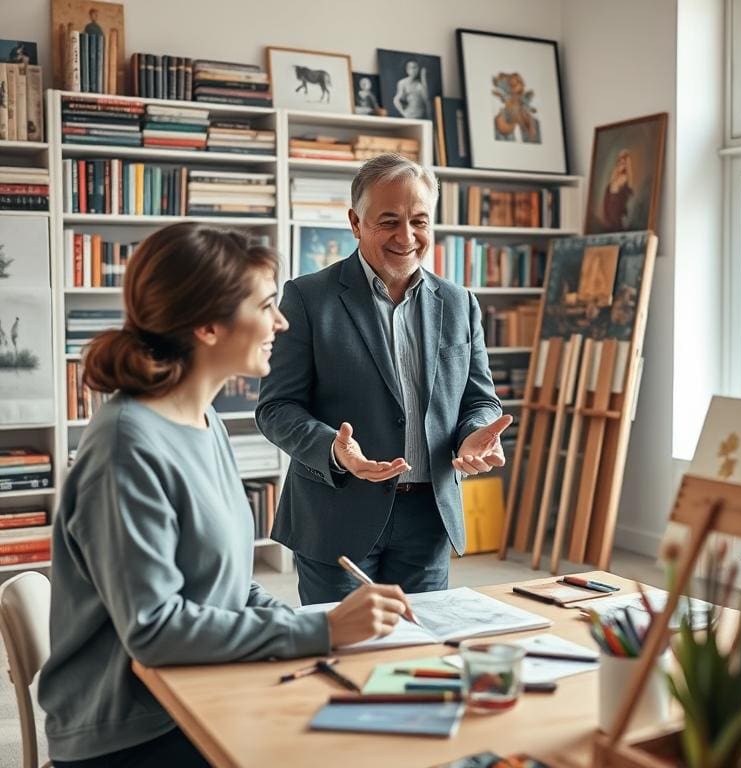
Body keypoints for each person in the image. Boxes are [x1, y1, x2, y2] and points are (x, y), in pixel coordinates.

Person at [38, 223, 412, 767]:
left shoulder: (203, 421)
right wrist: (320, 627)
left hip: (197, 690)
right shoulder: (127, 447)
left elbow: (228, 587)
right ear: (207, 326)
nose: (281, 322)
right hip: (136, 731)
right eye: (265, 305)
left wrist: (320, 630)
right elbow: (156, 630)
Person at [257, 154, 511, 604]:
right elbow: (276, 408)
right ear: (355, 223)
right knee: (345, 653)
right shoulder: (307, 297)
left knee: (418, 651)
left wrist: (474, 435)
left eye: (419, 221)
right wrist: (333, 448)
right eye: (388, 221)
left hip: (428, 516)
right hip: (336, 512)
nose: (406, 237)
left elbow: (479, 400)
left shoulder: (459, 303)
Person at [601, 149, 635, 231]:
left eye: (623, 163)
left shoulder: (624, 178)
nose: (620, 165)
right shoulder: (615, 176)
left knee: (615, 226)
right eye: (619, 162)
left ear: (626, 165)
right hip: (609, 206)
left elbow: (623, 193)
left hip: (616, 208)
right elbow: (609, 190)